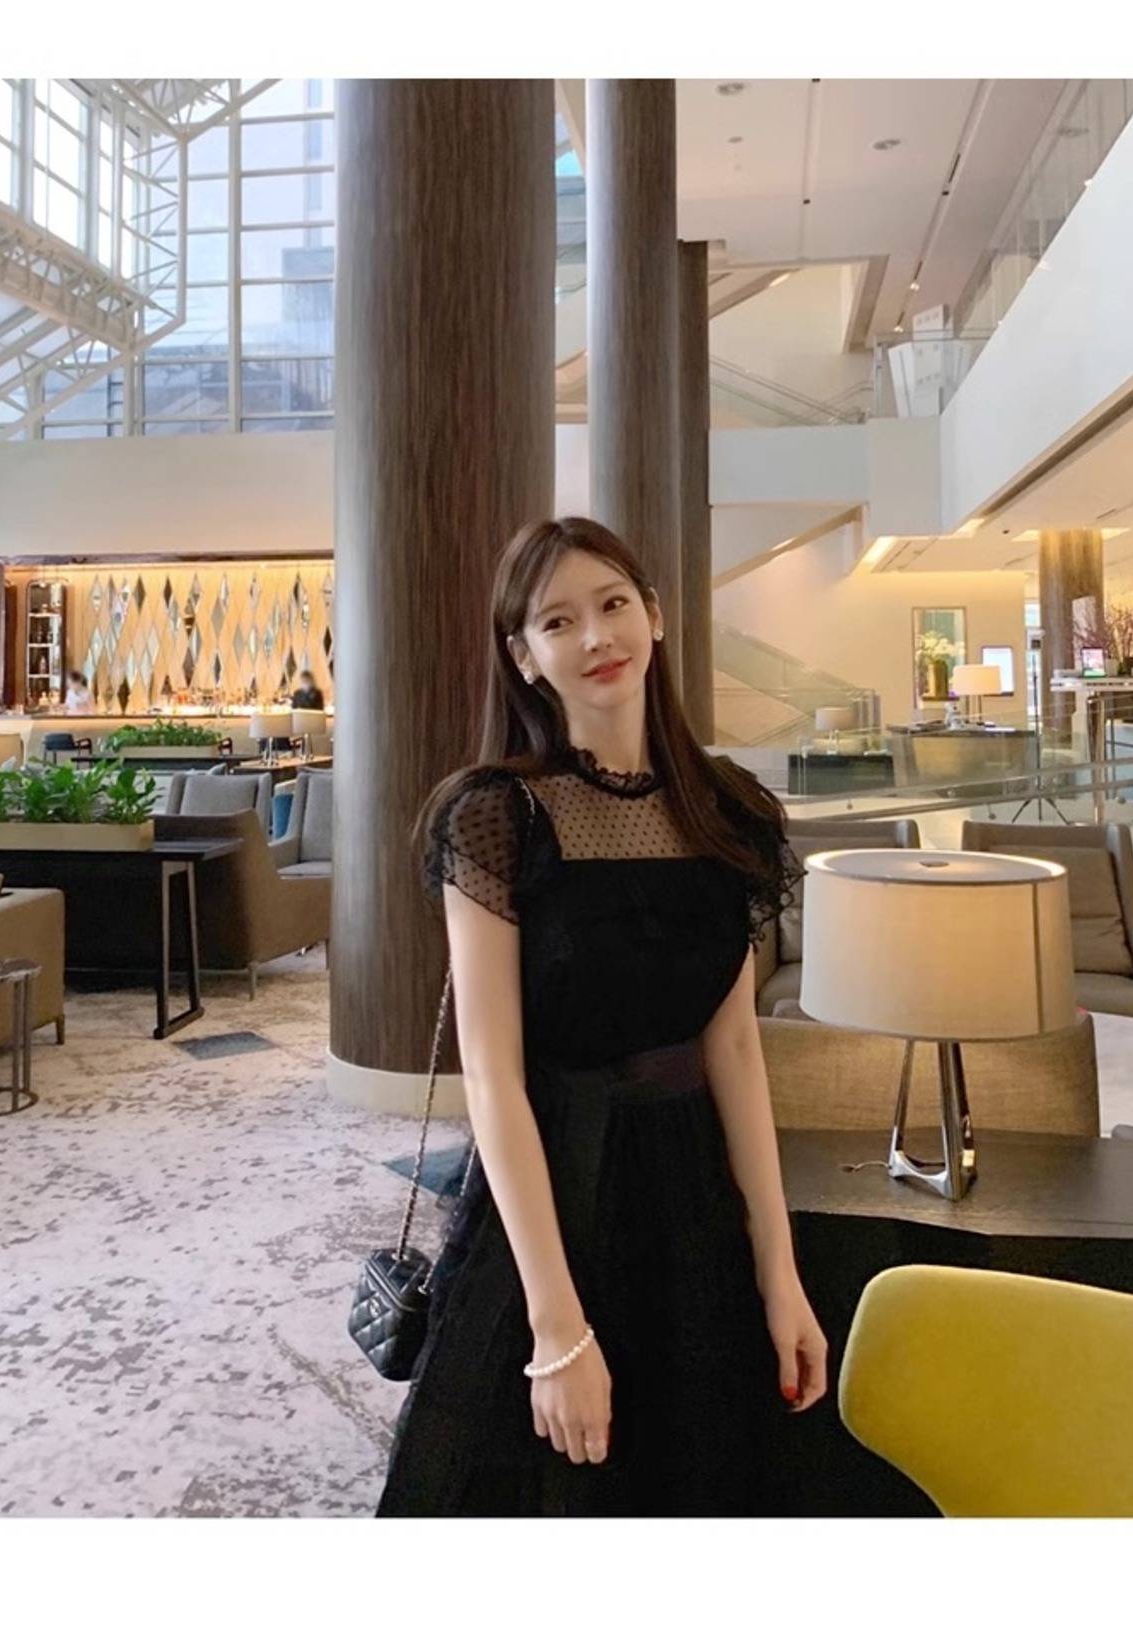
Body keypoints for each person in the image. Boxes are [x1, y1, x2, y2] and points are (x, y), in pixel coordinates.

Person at [374, 516, 827, 1518]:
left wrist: (779, 1270)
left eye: (612, 603)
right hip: (554, 1189)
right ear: (523, 656)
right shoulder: (494, 813)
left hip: (692, 1192)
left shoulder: (732, 810)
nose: (594, 636)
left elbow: (734, 1047)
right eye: (556, 620)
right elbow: (492, 1075)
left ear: (653, 615)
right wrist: (556, 1329)